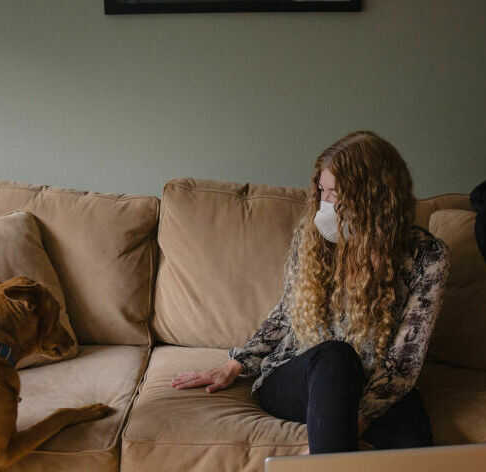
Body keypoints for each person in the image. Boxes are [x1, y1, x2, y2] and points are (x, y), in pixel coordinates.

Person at [171, 131, 450, 454]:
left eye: (336, 194)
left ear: (376, 199)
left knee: (414, 440)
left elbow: (405, 360)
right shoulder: (311, 238)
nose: (325, 203)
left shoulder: (427, 256)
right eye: (322, 191)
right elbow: (285, 313)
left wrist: (354, 419)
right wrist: (235, 364)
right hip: (302, 376)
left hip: (367, 384)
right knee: (336, 356)